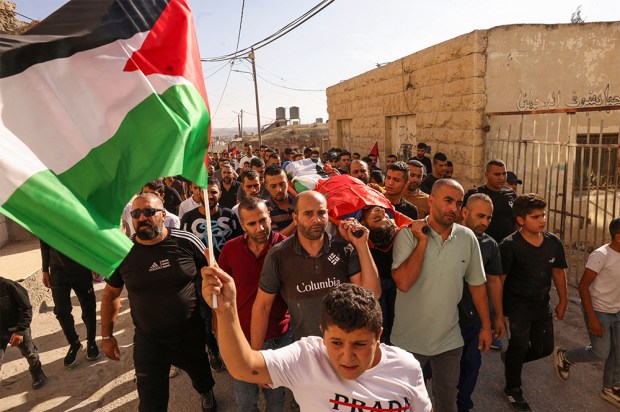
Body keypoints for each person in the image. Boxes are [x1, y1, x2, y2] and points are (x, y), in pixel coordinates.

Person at [202, 275, 433, 412]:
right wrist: (226, 310)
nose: (347, 356)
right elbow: (244, 367)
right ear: (322, 333)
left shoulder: (407, 367)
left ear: (379, 336)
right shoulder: (306, 358)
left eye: (360, 344)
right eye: (336, 342)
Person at [101, 193, 217, 412]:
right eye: (136, 213)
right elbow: (110, 295)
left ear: (164, 215)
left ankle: (206, 392)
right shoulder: (122, 252)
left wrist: (218, 318)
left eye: (148, 212)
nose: (141, 218)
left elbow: (214, 278)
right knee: (150, 402)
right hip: (149, 340)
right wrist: (107, 336)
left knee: (200, 373)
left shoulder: (186, 241)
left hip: (189, 333)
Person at [391, 178, 492, 412]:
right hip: (408, 341)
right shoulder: (408, 235)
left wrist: (486, 327)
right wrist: (422, 241)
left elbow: (477, 284)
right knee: (406, 403)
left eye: (458, 203)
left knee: (447, 401)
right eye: (448, 201)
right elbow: (403, 283)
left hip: (449, 339)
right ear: (431, 200)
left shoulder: (467, 237)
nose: (454, 208)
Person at [250, 191, 380, 350]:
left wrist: (361, 245)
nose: (316, 220)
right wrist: (255, 356)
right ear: (295, 218)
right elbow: (262, 307)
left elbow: (372, 294)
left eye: (321, 213)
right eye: (308, 214)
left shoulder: (343, 249)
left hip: (346, 347)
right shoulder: (279, 255)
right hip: (307, 350)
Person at [218, 197, 291, 412]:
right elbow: (220, 292)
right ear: (242, 225)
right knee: (245, 402)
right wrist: (219, 327)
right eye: (252, 223)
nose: (260, 228)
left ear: (269, 217)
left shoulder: (286, 247)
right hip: (241, 338)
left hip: (279, 338)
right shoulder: (230, 250)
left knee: (276, 399)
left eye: (263, 220)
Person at [500, 193, 568, 411]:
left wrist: (563, 301)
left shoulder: (553, 242)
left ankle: (511, 360)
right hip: (517, 308)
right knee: (519, 346)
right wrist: (498, 314)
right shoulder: (509, 245)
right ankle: (513, 388)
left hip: (541, 306)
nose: (542, 220)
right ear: (521, 219)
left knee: (544, 349)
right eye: (536, 217)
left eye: (543, 215)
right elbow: (499, 281)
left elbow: (558, 271)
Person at [553, 217, 620, 408]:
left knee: (618, 351)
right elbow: (583, 286)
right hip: (598, 310)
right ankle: (566, 356)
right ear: (618, 237)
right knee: (600, 353)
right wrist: (592, 318)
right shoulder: (601, 255)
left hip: (618, 310)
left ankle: (611, 387)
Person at [457, 193, 505, 412]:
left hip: (474, 319)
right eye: (480, 216)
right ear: (465, 212)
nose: (484, 222)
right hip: (444, 318)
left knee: (470, 366)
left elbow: (494, 282)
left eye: (489, 217)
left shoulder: (489, 245)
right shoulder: (447, 237)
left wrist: (497, 317)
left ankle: (462, 405)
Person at [41, 241, 99, 367]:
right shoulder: (50, 226)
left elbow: (89, 236)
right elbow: (44, 241)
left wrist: (94, 261)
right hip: (57, 270)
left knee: (88, 307)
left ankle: (91, 341)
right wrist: (45, 269)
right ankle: (74, 343)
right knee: (61, 311)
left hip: (81, 266)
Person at [0, 276, 47, 389]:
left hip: (18, 327)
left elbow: (26, 308)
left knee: (30, 353)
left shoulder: (9, 286)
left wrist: (20, 331)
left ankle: (38, 374)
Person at [464, 159, 516, 244]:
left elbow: (516, 220)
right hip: (481, 244)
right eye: (497, 174)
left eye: (504, 174)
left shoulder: (511, 194)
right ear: (487, 175)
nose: (502, 178)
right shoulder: (475, 194)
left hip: (506, 246)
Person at [264, 165, 296, 236]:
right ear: (266, 186)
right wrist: (296, 222)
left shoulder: (299, 202)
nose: (279, 190)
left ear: (287, 182)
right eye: (273, 186)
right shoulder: (264, 210)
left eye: (282, 184)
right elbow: (275, 239)